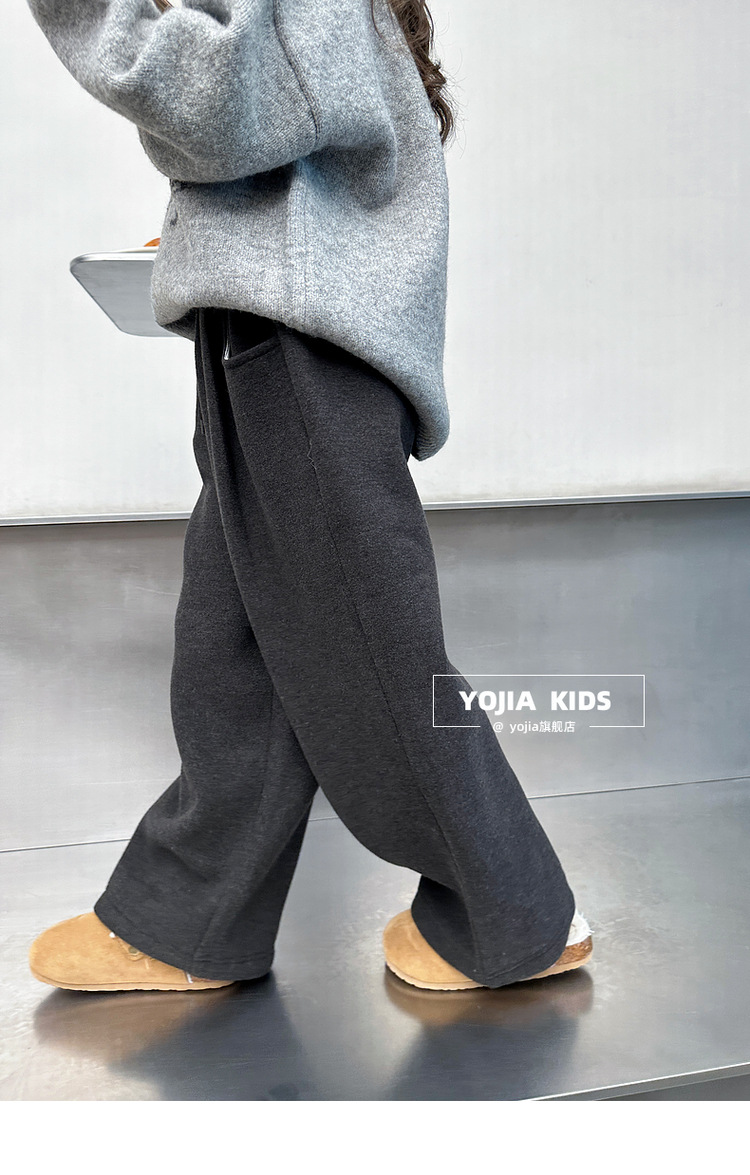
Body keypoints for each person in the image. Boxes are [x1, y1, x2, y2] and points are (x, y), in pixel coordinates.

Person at [25, 0, 592, 994]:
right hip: (283, 337)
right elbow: (289, 151)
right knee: (234, 650)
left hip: (302, 353)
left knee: (372, 650)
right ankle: (188, 920)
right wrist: (206, 249)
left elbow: (218, 104)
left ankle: (515, 916)